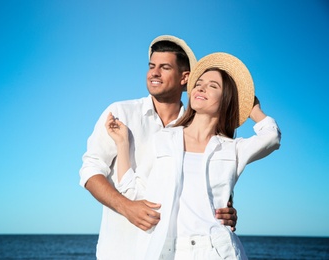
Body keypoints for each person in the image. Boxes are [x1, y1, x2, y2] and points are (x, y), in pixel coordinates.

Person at [106, 52, 281, 259]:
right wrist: (122, 143)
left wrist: (253, 109)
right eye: (199, 83)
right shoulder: (163, 139)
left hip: (217, 250)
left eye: (213, 86)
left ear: (226, 100)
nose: (201, 87)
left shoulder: (232, 149)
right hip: (169, 251)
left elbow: (272, 137)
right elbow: (134, 191)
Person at [79, 36, 238, 260]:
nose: (154, 73)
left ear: (185, 77)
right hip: (120, 251)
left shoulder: (200, 130)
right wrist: (126, 206)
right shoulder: (120, 113)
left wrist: (227, 212)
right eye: (152, 66)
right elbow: (90, 170)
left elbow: (213, 187)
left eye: (164, 67)